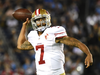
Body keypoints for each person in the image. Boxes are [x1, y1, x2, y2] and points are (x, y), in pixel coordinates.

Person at [17, 9, 93, 75]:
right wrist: (24, 26)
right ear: (34, 22)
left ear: (47, 19)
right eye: (38, 20)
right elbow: (20, 45)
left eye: (42, 19)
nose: (40, 22)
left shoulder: (53, 32)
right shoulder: (33, 35)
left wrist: (88, 53)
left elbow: (76, 43)